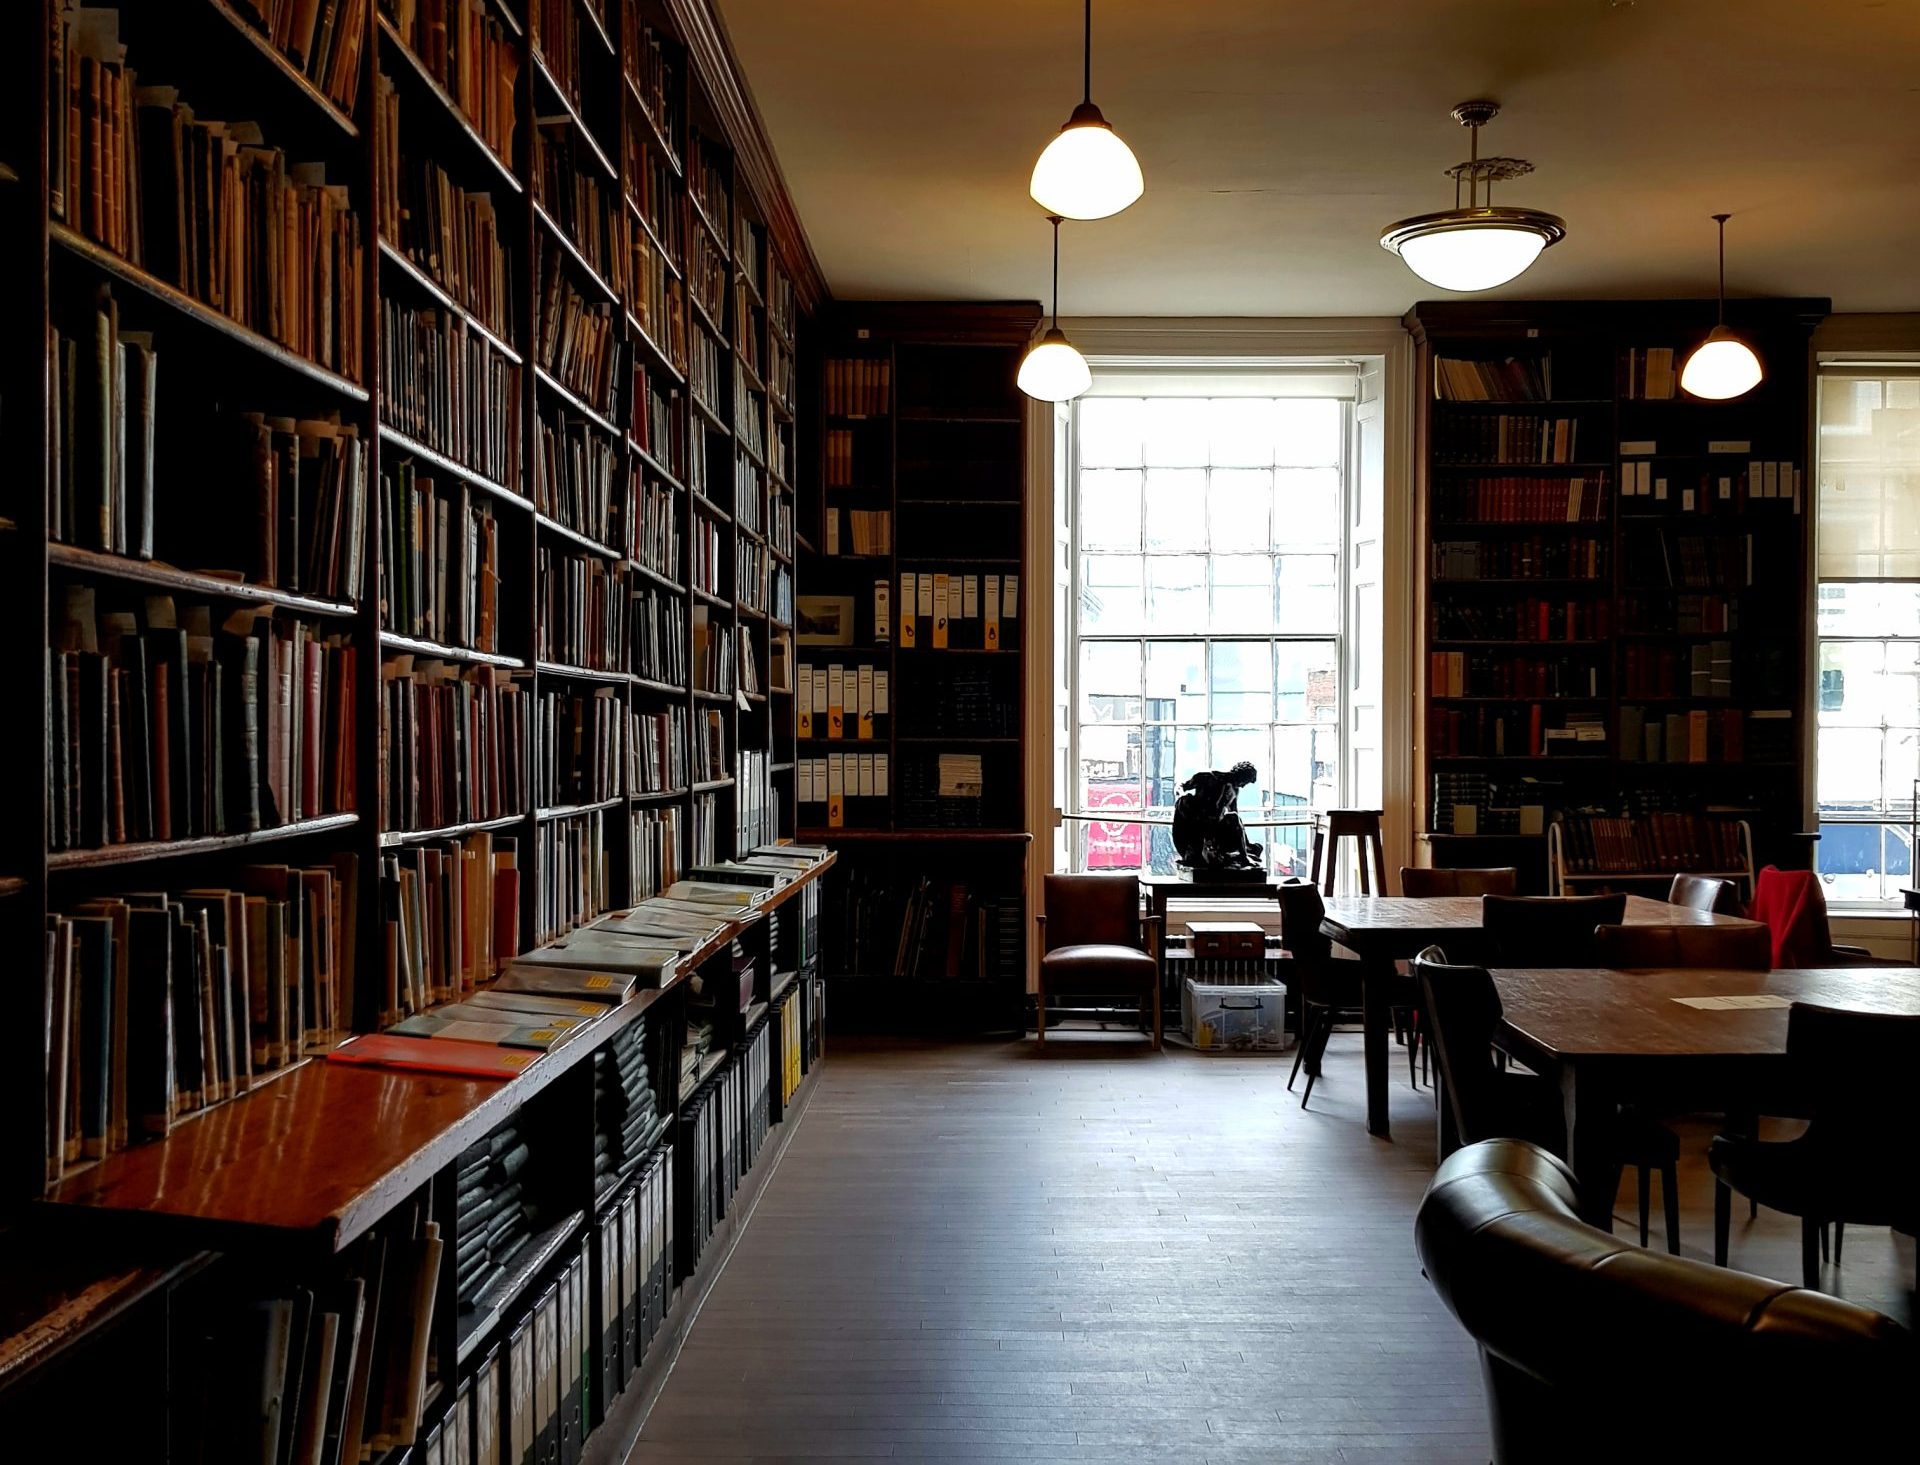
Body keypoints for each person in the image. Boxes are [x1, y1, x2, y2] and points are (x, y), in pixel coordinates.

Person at [1171, 762, 1263, 872]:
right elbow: (1181, 786)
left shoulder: (1234, 790)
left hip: (1215, 829)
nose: (1243, 786)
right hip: (1198, 823)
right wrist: (1182, 797)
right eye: (1245, 781)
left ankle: (1243, 856)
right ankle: (1201, 853)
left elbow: (1237, 820)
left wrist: (1245, 843)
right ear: (1240, 774)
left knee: (1233, 818)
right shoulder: (1208, 777)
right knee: (1187, 802)